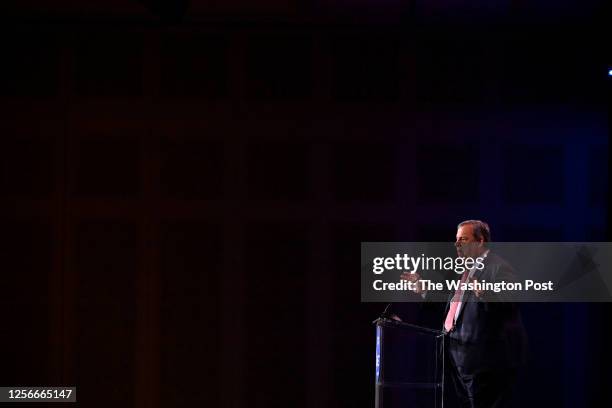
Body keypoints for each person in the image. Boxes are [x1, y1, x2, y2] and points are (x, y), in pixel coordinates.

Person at [402, 220, 527, 408]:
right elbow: (455, 307)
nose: (457, 244)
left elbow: (510, 302)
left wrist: (485, 293)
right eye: (456, 239)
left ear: (480, 241)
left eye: (463, 239)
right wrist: (424, 291)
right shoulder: (466, 270)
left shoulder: (498, 267)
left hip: (482, 364)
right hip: (457, 358)